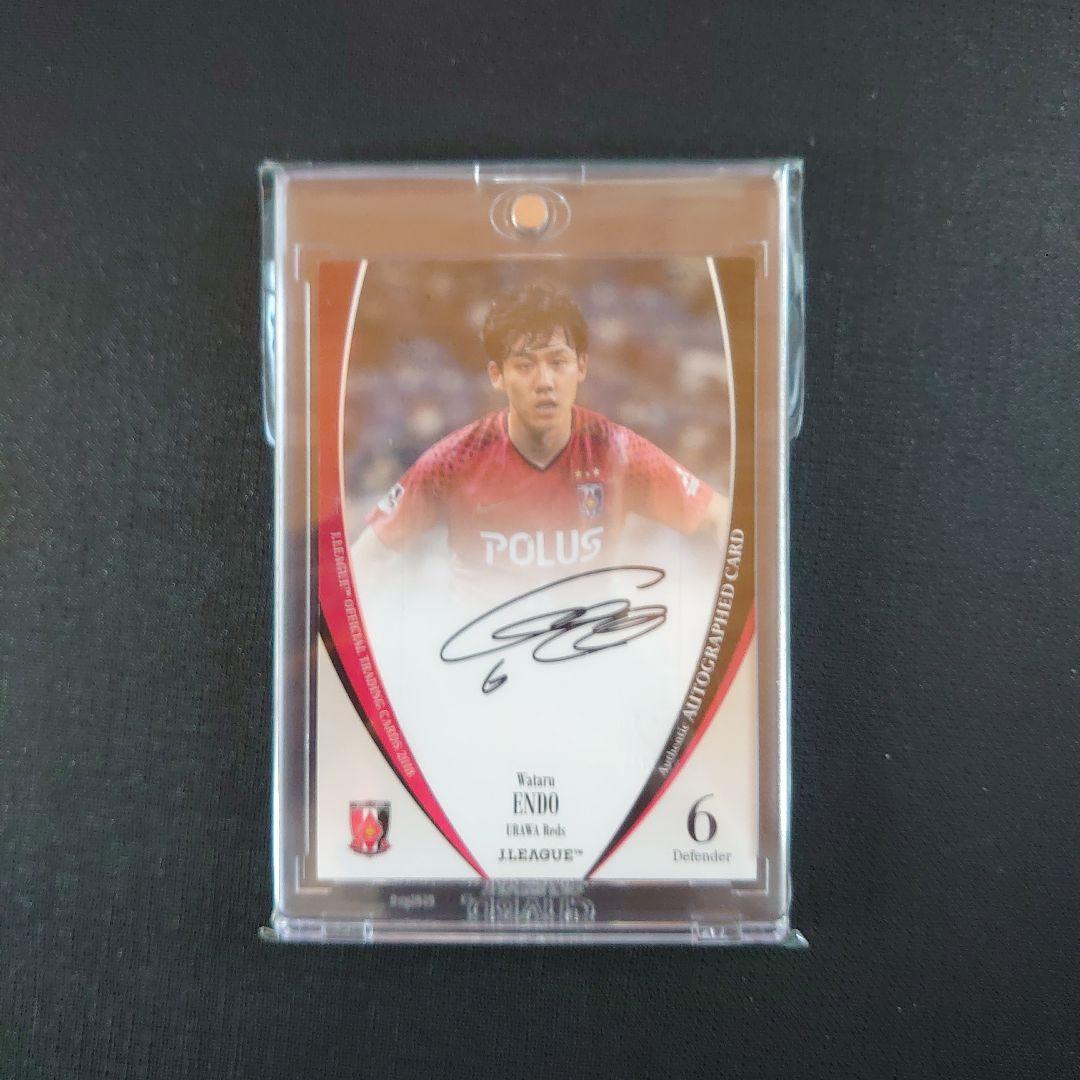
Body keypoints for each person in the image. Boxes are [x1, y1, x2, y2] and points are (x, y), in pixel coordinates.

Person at [351, 283, 728, 580]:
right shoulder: (453, 461)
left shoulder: (618, 451)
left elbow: (719, 515)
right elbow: (367, 557)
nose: (545, 382)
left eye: (558, 362)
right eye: (525, 366)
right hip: (479, 647)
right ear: (497, 375)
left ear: (582, 367)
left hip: (589, 642)